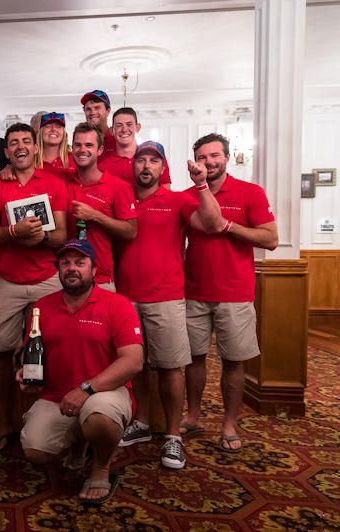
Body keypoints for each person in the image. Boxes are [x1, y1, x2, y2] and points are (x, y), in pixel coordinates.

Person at [114, 141, 223, 469]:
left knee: (172, 367)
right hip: (125, 297)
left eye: (153, 161)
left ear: (163, 168)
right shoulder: (123, 200)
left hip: (166, 297)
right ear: (134, 167)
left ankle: (173, 436)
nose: (146, 166)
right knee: (136, 366)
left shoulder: (177, 199)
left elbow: (213, 223)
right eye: (141, 160)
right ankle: (143, 423)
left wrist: (201, 184)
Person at [17, 239, 143, 505]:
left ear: (94, 270)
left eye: (79, 262)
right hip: (57, 397)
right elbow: (32, 355)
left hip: (105, 393)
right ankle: (79, 445)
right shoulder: (42, 307)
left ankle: (100, 468)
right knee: (35, 450)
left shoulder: (117, 304)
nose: (72, 268)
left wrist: (86, 389)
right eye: (65, 263)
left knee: (98, 418)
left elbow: (133, 362)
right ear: (58, 270)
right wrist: (26, 375)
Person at [182, 133, 278, 452]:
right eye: (202, 157)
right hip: (193, 291)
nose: (209, 162)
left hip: (235, 294)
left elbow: (270, 239)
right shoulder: (188, 195)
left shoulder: (250, 192)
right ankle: (193, 416)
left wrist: (228, 226)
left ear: (227, 157)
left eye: (214, 156)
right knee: (193, 361)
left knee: (233, 362)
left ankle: (229, 424)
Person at [0, 123, 68, 450]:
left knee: (56, 354)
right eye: (13, 142)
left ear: (35, 148)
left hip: (47, 281)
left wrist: (41, 237)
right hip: (5, 282)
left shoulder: (55, 183)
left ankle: (54, 426)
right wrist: (15, 233)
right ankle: (3, 425)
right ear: (6, 151)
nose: (20, 147)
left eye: (25, 142)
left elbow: (61, 235)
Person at [66, 122, 137, 291]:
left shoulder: (118, 186)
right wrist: (7, 167)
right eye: (78, 145)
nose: (82, 150)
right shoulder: (61, 179)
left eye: (89, 145)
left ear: (100, 150)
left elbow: (131, 231)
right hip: (65, 275)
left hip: (101, 277)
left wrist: (95, 215)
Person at [99, 107, 172, 189]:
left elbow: (166, 194)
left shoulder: (155, 157)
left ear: (137, 127)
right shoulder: (102, 166)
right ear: (112, 131)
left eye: (129, 124)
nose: (124, 129)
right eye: (119, 125)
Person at [36, 112, 76, 180]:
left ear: (64, 133)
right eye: (48, 126)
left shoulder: (75, 159)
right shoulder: (31, 160)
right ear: (41, 132)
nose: (53, 129)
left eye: (58, 126)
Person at [81, 89, 116, 163]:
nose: (92, 112)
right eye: (88, 109)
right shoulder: (82, 141)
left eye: (97, 108)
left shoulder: (117, 139)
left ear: (108, 111)